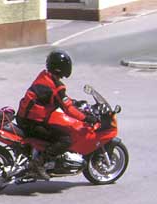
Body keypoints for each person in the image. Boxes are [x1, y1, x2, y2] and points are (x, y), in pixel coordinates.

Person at [16, 49, 97, 180]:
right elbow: (68, 108)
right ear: (61, 68)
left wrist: (74, 102)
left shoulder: (44, 77)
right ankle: (38, 164)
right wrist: (87, 118)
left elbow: (60, 99)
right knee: (65, 139)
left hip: (24, 118)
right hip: (33, 122)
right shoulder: (56, 86)